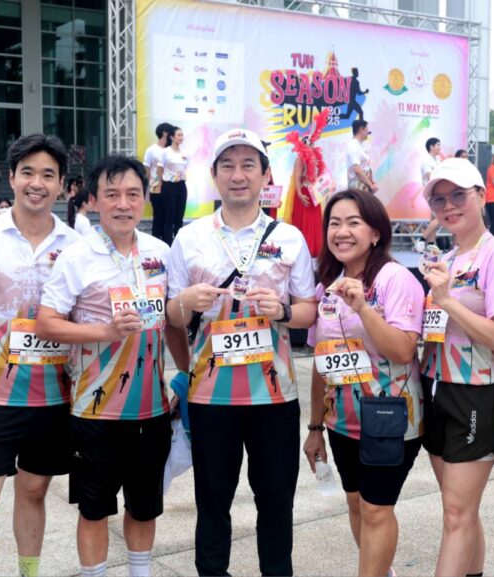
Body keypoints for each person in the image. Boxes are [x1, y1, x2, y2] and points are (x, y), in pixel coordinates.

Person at [165, 128, 317, 576]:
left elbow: (308, 312)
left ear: (265, 175)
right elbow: (171, 317)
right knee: (212, 500)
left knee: (277, 501)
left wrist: (283, 310)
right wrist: (185, 302)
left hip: (275, 396)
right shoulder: (189, 237)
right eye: (228, 166)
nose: (238, 175)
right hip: (211, 397)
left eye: (248, 165)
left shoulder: (289, 237)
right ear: (214, 175)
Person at [36, 154, 190, 577]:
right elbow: (46, 323)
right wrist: (105, 331)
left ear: (145, 199)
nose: (123, 204)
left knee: (144, 507)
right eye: (112, 194)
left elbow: (172, 322)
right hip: (94, 411)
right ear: (94, 200)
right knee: (94, 510)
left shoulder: (160, 252)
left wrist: (187, 373)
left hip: (151, 410)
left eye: (133, 194)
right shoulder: (77, 255)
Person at [0, 134, 80, 577]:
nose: (36, 183)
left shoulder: (76, 244)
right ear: (11, 178)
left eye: (48, 175)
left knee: (34, 492)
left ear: (61, 184)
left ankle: (29, 572)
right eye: (28, 173)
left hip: (53, 398)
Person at [302, 189, 425, 576]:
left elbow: (403, 350)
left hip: (391, 418)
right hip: (342, 421)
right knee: (356, 503)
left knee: (375, 508)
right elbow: (322, 363)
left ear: (375, 233)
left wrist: (363, 308)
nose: (342, 232)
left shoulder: (396, 279)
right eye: (334, 223)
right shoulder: (327, 286)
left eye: (353, 222)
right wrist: (315, 428)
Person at [418, 159, 494, 577]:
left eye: (458, 195)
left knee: (456, 514)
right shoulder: (446, 257)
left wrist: (446, 300)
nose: (449, 206)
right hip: (436, 386)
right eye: (439, 199)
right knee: (460, 509)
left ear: (481, 195)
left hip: (477, 390)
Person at [286, 109, 330, 258]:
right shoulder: (300, 158)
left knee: (315, 221)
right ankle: (304, 249)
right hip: (305, 193)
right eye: (308, 143)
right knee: (305, 221)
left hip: (315, 194)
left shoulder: (316, 157)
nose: (311, 145)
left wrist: (326, 187)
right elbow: (297, 177)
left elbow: (320, 176)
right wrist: (299, 193)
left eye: (312, 143)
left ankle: (315, 248)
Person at [155, 126, 188, 245]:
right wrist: (160, 184)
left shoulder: (185, 153)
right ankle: (167, 244)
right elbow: (159, 169)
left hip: (181, 186)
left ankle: (178, 245)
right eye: (179, 135)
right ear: (172, 137)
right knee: (169, 218)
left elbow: (184, 168)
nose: (181, 137)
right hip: (169, 187)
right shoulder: (166, 152)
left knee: (179, 218)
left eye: (182, 135)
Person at [144, 123, 174, 242]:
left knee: (169, 217)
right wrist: (146, 188)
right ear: (165, 133)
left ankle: (167, 242)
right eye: (171, 133)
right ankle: (156, 241)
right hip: (156, 187)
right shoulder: (151, 150)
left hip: (170, 187)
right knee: (158, 216)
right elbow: (147, 169)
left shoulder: (172, 150)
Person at [346, 120, 377, 193]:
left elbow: (364, 167)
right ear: (361, 130)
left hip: (363, 186)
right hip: (358, 188)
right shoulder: (353, 146)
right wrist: (370, 185)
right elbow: (357, 170)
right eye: (367, 130)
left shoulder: (359, 146)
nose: (368, 133)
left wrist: (371, 182)